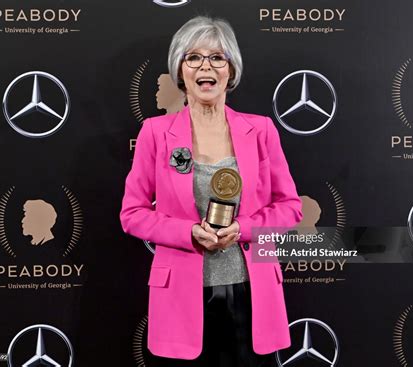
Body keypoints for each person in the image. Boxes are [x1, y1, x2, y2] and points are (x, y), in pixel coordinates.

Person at [120, 16, 303, 367]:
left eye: (217, 57)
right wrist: (188, 232)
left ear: (230, 71)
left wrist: (244, 229)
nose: (206, 66)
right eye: (194, 57)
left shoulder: (261, 130)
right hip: (179, 297)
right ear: (180, 70)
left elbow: (291, 207)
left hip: (252, 293)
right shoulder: (155, 133)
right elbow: (133, 213)